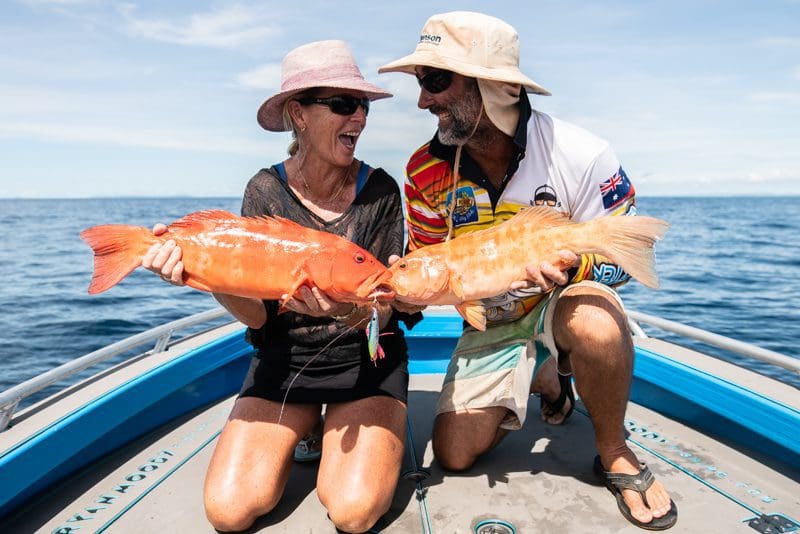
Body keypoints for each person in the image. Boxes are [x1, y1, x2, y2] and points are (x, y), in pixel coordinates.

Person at [379, 11, 678, 530]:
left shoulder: (582, 154)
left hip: (561, 303)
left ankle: (614, 452)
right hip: (492, 318)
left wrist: (572, 265)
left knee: (598, 324)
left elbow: (625, 262)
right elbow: (433, 266)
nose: (423, 100)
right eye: (422, 84)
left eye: (435, 81)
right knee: (454, 454)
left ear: (494, 87)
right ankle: (546, 377)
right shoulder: (423, 171)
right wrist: (402, 299)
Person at [143, 40, 409, 533]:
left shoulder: (381, 192)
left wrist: (343, 312)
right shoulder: (264, 191)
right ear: (299, 115)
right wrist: (204, 277)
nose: (359, 119)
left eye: (363, 105)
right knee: (229, 511)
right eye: (343, 104)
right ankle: (306, 423)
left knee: (353, 513)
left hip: (365, 363)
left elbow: (385, 307)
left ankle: (332, 429)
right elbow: (260, 317)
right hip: (284, 363)